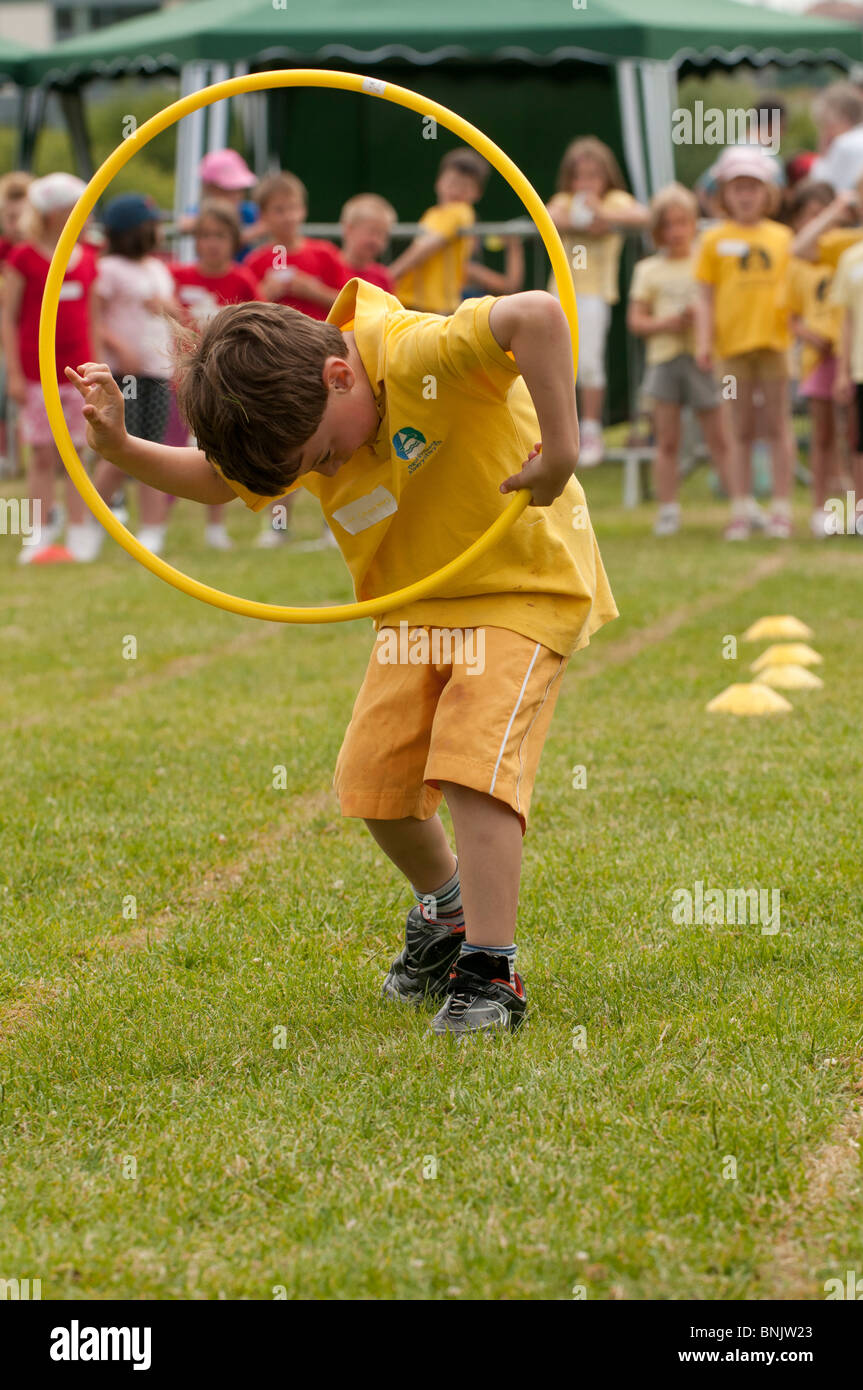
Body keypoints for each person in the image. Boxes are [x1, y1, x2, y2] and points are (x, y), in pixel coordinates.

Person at [66, 279, 618, 1038]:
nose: (320, 473)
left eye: (320, 456)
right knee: (373, 783)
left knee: (471, 763)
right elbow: (220, 485)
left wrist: (561, 447)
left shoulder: (419, 352)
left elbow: (538, 313)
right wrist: (121, 447)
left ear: (338, 375)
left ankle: (491, 971)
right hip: (415, 602)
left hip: (522, 582)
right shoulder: (302, 415)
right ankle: (446, 913)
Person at [1, 172, 103, 564]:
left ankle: (79, 529)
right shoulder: (23, 258)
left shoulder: (89, 258)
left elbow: (92, 319)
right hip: (34, 375)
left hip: (78, 375)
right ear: (53, 213)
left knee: (77, 452)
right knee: (41, 453)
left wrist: (96, 369)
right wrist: (12, 373)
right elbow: (8, 318)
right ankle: (39, 531)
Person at [694, 147, 795, 540]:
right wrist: (704, 342)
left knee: (778, 424)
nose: (746, 195)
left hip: (775, 343)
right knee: (737, 427)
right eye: (738, 187)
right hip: (730, 348)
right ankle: (740, 508)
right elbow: (704, 296)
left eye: (753, 187)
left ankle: (782, 510)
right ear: (725, 193)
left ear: (767, 192)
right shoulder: (713, 239)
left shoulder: (784, 237)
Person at [244, 170, 346, 547]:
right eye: (277, 210)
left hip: (325, 362)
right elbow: (245, 314)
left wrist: (312, 289)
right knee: (283, 447)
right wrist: (264, 293)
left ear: (303, 211)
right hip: (278, 368)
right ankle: (278, 525)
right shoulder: (256, 263)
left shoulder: (323, 254)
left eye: (292, 208)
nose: (286, 216)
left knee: (334, 444)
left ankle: (334, 527)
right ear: (264, 217)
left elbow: (346, 300)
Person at [627, 184, 729, 537]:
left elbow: (720, 306)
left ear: (693, 223)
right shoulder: (647, 270)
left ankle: (739, 505)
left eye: (682, 223)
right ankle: (668, 509)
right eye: (667, 225)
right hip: (665, 359)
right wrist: (668, 323)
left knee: (720, 436)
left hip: (705, 360)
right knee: (666, 439)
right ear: (658, 230)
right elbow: (636, 321)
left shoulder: (707, 260)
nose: (676, 232)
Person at [546, 136, 649, 466]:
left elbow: (645, 216)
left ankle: (589, 429)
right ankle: (555, 432)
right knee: (553, 363)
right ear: (570, 178)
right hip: (559, 293)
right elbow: (548, 215)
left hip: (594, 295)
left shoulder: (617, 201)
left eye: (594, 175)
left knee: (589, 363)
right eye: (580, 176)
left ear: (607, 176)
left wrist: (604, 215)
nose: (586, 183)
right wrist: (582, 221)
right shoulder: (564, 200)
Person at [90, 192, 179, 557]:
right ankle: (93, 520)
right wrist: (116, 346)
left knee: (152, 449)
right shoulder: (109, 270)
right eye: (151, 224)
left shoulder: (158, 267)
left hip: (156, 371)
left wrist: (166, 309)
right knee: (118, 449)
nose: (157, 230)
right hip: (123, 373)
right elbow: (93, 318)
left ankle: (153, 529)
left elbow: (174, 310)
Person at [170, 200, 261, 550]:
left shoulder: (242, 279)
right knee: (168, 449)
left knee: (216, 451)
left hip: (224, 382)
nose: (212, 243)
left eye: (220, 235)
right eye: (205, 235)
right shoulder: (177, 276)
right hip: (177, 380)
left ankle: (216, 529)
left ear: (234, 240)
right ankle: (154, 527)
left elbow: (260, 321)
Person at [787, 180, 846, 538]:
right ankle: (822, 509)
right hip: (819, 360)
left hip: (851, 357)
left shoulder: (848, 254)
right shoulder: (800, 264)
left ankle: (849, 507)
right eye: (811, 216)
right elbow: (791, 314)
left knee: (850, 436)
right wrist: (812, 337)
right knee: (822, 435)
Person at [389, 147, 488, 314]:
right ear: (439, 182)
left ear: (477, 193)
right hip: (412, 300)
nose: (456, 191)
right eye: (452, 183)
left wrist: (389, 274)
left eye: (465, 187)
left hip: (435, 306)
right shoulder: (432, 213)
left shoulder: (461, 211)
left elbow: (426, 246)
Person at [829, 229, 863, 533]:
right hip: (859, 367)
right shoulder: (851, 257)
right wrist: (842, 372)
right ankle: (860, 514)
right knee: (859, 445)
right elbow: (847, 319)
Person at [177, 149, 261, 260]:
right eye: (228, 190)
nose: (236, 195)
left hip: (240, 272)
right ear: (209, 188)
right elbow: (184, 225)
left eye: (239, 189)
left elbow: (268, 223)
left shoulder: (247, 210)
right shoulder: (203, 211)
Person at [810, 83, 863, 194]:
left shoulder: (845, 144)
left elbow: (820, 188)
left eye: (825, 124)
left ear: (843, 118)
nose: (824, 132)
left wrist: (823, 154)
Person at [338, 193, 396, 292]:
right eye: (371, 232)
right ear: (349, 229)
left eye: (383, 234)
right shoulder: (329, 268)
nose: (376, 241)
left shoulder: (382, 277)